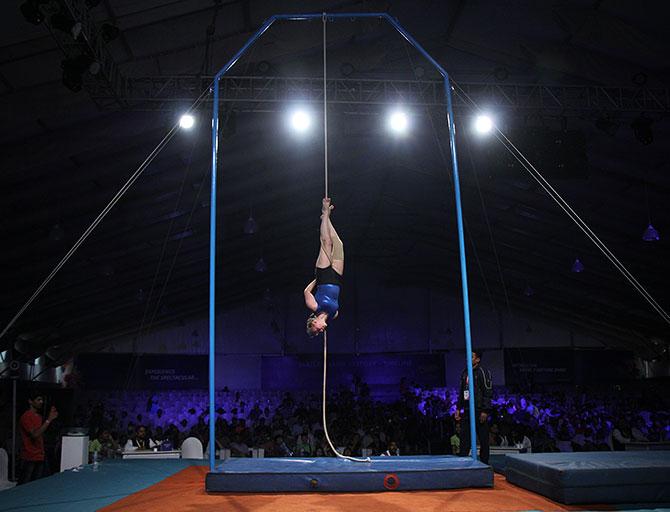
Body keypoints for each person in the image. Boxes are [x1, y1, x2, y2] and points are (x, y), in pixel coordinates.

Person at [304, 197, 344, 336]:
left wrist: (316, 279)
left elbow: (306, 292)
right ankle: (326, 218)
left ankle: (325, 211)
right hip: (337, 278)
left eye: (317, 329)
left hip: (323, 276)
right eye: (320, 332)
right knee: (338, 244)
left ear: (314, 322)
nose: (321, 330)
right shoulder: (334, 315)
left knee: (327, 242)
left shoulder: (314, 306)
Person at [454, 349, 493, 464]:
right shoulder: (465, 372)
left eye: (471, 357)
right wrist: (458, 408)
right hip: (467, 410)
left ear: (477, 359)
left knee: (483, 438)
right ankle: (463, 459)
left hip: (479, 410)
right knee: (464, 437)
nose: (468, 359)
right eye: (467, 357)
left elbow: (487, 392)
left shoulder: (483, 372)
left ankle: (484, 462)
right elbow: (462, 392)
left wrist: (485, 410)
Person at [19, 391, 58, 484]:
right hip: (29, 456)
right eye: (38, 399)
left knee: (36, 485)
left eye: (42, 400)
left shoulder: (39, 417)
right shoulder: (26, 416)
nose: (41, 402)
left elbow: (41, 434)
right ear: (30, 401)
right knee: (25, 485)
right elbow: (35, 434)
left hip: (40, 456)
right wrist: (49, 420)